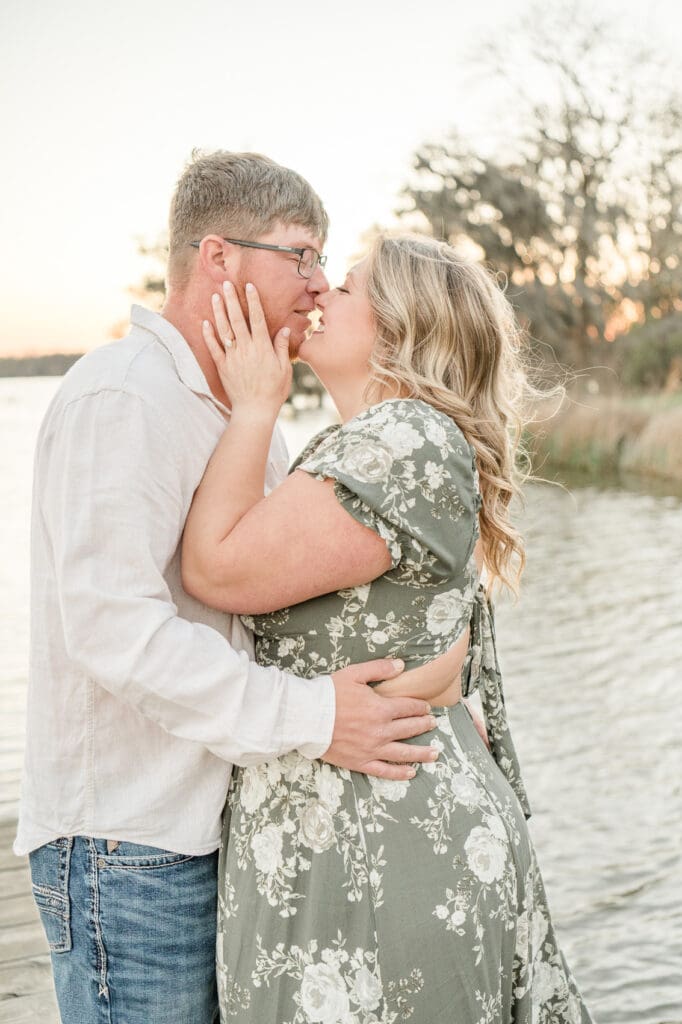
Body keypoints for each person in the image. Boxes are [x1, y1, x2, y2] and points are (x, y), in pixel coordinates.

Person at [15, 153, 440, 1024]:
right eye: (301, 255)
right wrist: (315, 717)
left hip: (221, 837)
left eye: (323, 262)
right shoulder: (123, 396)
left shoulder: (250, 417)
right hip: (130, 851)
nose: (317, 284)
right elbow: (115, 632)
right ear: (218, 257)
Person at [181, 234, 595, 1022]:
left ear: (403, 328)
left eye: (347, 287)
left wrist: (256, 404)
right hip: (354, 827)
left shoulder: (403, 440)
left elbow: (216, 570)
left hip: (380, 838)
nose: (320, 293)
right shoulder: (378, 442)